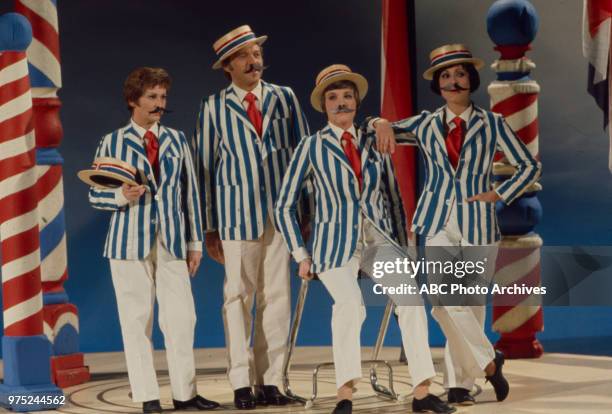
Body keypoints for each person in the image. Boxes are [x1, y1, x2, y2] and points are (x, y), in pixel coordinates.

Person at [274, 64, 456, 414]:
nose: (340, 103)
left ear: (356, 102)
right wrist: (300, 254)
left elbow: (393, 195)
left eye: (346, 96)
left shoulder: (374, 139)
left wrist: (380, 122)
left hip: (378, 239)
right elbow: (284, 206)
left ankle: (422, 392)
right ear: (323, 105)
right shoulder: (311, 147)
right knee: (350, 306)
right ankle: (345, 393)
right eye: (333, 97)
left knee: (412, 301)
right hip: (333, 245)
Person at [372, 44, 542, 406]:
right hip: (436, 221)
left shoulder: (491, 123)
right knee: (445, 303)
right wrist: (378, 121)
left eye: (460, 74)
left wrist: (498, 194)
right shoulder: (427, 123)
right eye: (445, 76)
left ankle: (460, 384)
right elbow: (381, 131)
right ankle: (489, 361)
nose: (453, 81)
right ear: (438, 84)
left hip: (478, 223)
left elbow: (528, 165)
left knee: (470, 304)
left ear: (471, 79)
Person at [88, 67, 219, 413]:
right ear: (133, 99)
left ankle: (184, 395)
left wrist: (194, 245)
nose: (160, 104)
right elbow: (95, 196)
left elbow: (190, 195)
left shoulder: (176, 140)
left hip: (173, 241)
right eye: (152, 97)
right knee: (136, 320)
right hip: (127, 243)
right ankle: (147, 397)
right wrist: (120, 197)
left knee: (181, 318)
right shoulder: (112, 142)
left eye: (163, 97)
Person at [193, 25, 310, 409]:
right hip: (234, 217)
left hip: (281, 217)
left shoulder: (285, 98)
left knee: (277, 298)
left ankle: (272, 382)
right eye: (243, 56)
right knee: (238, 299)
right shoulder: (213, 107)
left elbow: (302, 157)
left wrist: (304, 212)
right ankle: (242, 383)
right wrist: (209, 229)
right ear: (228, 66)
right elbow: (205, 170)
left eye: (256, 53)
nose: (253, 61)